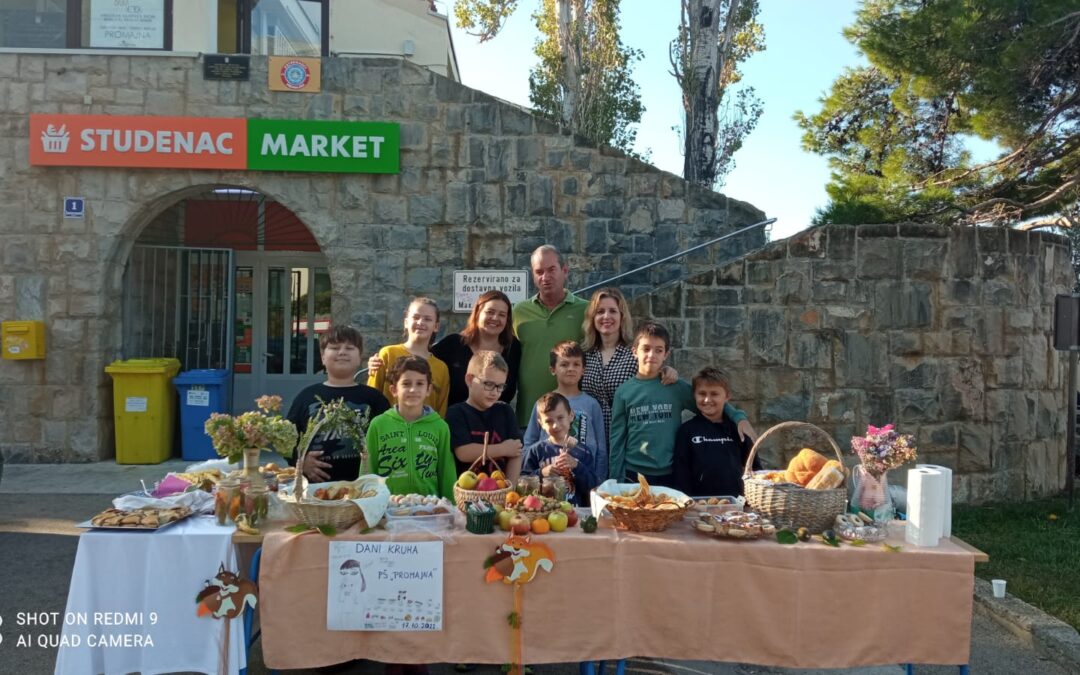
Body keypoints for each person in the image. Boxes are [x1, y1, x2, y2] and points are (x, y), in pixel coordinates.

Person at [608, 321, 753, 487]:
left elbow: (708, 404)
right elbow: (617, 439)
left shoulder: (674, 386)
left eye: (658, 350)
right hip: (634, 473)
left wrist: (738, 417)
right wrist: (615, 480)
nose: (651, 355)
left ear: (666, 354)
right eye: (646, 349)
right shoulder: (623, 392)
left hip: (670, 472)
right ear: (634, 352)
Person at [287, 325, 390, 483]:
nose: (342, 352)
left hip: (365, 489)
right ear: (322, 357)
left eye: (349, 348)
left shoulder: (374, 398)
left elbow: (390, 440)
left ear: (360, 357)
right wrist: (300, 462)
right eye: (334, 347)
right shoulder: (306, 397)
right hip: (316, 491)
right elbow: (286, 440)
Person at [580, 287, 679, 443]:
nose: (606, 316)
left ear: (622, 316)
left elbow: (653, 380)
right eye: (600, 312)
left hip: (628, 439)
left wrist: (667, 370)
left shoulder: (634, 354)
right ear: (592, 317)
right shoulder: (586, 356)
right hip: (593, 440)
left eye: (613, 311)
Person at [512, 245, 588, 427]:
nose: (545, 277)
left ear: (565, 271)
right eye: (539, 272)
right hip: (529, 416)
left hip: (572, 417)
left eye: (551, 269)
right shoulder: (519, 312)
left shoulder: (586, 310)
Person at [366, 356, 456, 499]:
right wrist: (368, 507)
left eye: (420, 383)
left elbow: (447, 472)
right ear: (394, 390)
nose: (413, 389)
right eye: (406, 384)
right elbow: (368, 469)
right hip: (386, 508)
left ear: (429, 389)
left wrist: (451, 509)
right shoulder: (378, 425)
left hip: (429, 510)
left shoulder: (440, 427)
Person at [522, 341, 608, 479]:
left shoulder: (592, 405)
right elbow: (529, 442)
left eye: (576, 364)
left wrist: (598, 482)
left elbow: (601, 449)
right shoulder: (543, 404)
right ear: (553, 369)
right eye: (564, 364)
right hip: (550, 478)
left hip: (584, 478)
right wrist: (536, 474)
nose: (571, 369)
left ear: (583, 369)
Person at [673, 367, 759, 497]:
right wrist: (687, 503)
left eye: (714, 394)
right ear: (694, 395)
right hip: (699, 505)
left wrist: (751, 501)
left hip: (736, 504)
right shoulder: (687, 431)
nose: (707, 399)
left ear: (727, 396)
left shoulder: (739, 429)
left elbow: (755, 468)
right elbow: (681, 472)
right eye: (702, 394)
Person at [431, 290, 522, 406]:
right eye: (490, 312)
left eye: (502, 315)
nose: (495, 318)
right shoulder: (452, 344)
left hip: (499, 422)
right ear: (478, 313)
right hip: (456, 421)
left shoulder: (513, 348)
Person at [445, 351, 523, 482]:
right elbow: (463, 452)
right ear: (470, 380)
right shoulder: (456, 412)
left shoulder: (505, 411)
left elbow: (516, 452)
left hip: (500, 492)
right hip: (467, 492)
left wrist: (510, 489)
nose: (494, 392)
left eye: (500, 386)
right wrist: (502, 449)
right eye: (488, 384)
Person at [367, 297, 451, 416]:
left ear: (436, 326)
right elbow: (371, 396)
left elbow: (440, 411)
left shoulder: (441, 368)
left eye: (427, 319)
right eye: (416, 317)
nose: (420, 322)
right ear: (406, 322)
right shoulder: (387, 354)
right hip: (387, 431)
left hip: (424, 433)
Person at [521, 392, 599, 506]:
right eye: (549, 421)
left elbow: (592, 485)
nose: (555, 425)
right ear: (540, 423)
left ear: (571, 415)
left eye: (560, 418)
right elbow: (523, 483)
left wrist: (577, 466)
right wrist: (541, 473)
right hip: (543, 515)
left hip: (575, 512)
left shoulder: (583, 452)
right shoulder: (535, 451)